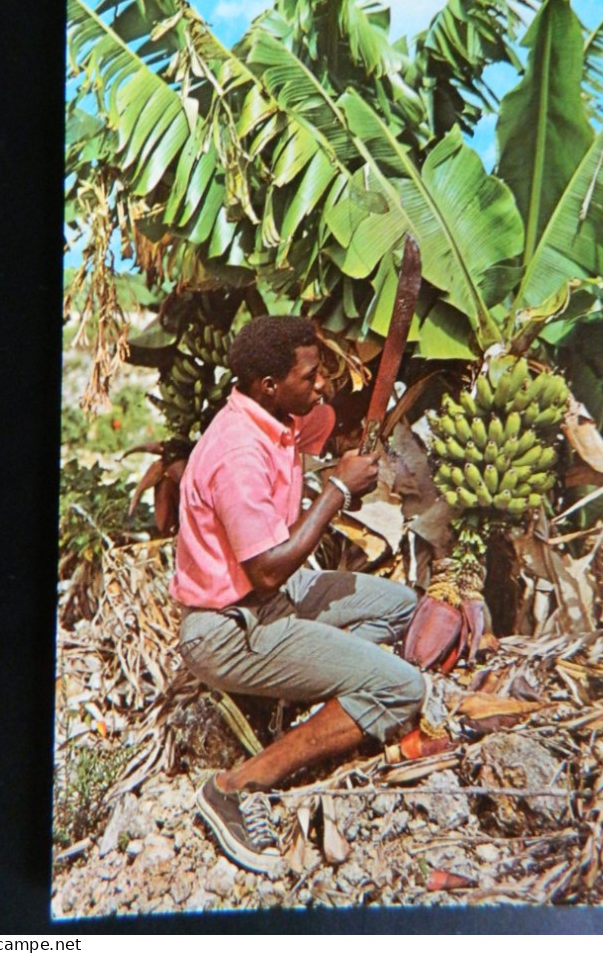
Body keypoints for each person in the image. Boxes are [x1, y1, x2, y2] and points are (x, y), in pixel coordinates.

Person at [170, 315, 424, 874]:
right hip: (232, 626)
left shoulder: (276, 414)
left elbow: (334, 422)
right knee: (402, 689)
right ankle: (237, 785)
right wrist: (337, 488)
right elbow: (265, 571)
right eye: (310, 377)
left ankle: (318, 687)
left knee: (403, 607)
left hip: (278, 597)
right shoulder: (237, 454)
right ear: (269, 385)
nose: (322, 386)